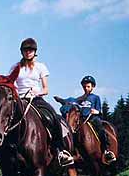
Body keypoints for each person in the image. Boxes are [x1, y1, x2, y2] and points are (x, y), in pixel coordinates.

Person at [12, 38, 74, 167]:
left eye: (31, 50)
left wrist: (37, 92)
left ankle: (61, 150)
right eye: (26, 50)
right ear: (22, 52)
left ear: (35, 52)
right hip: (19, 100)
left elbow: (46, 89)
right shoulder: (15, 67)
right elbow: (12, 85)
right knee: (2, 117)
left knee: (52, 116)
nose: (28, 52)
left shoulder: (41, 67)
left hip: (36, 99)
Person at [78, 75, 116, 163]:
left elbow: (99, 110)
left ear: (93, 87)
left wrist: (96, 112)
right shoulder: (80, 99)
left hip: (93, 118)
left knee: (101, 129)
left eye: (88, 86)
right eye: (84, 87)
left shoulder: (95, 97)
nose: (86, 88)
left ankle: (106, 150)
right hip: (82, 120)